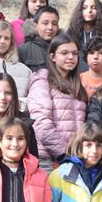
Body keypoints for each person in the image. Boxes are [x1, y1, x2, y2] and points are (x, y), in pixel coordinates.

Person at [26, 33, 87, 164]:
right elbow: (41, 123)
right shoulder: (42, 81)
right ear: (53, 57)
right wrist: (64, 153)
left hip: (74, 157)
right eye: (64, 53)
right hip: (48, 158)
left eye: (74, 53)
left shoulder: (77, 85)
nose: (71, 57)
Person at [17, 5, 61, 73]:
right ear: (36, 25)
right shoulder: (23, 50)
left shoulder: (64, 49)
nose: (50, 27)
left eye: (54, 24)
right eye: (45, 23)